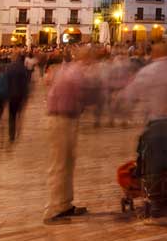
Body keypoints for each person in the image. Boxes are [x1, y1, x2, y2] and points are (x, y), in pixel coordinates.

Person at [43, 47, 91, 224]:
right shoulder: (76, 72)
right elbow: (87, 94)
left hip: (66, 119)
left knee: (68, 162)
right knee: (60, 164)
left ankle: (64, 204)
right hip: (60, 119)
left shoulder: (71, 69)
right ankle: (52, 211)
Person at [5, 52, 31, 143]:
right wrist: (26, 95)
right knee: (19, 114)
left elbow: (6, 82)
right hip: (20, 95)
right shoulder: (23, 68)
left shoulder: (8, 67)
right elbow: (25, 83)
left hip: (11, 95)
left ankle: (11, 134)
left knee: (11, 116)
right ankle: (18, 130)